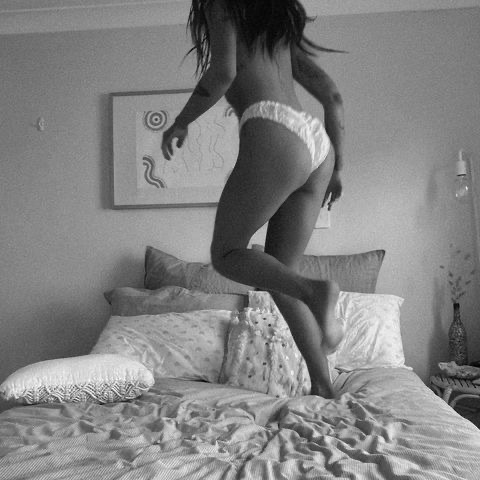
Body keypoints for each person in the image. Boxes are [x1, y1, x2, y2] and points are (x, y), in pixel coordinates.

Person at [161, 0, 345, 398]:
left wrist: (181, 121)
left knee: (227, 253)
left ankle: (317, 292)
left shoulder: (221, 3)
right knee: (281, 275)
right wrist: (338, 169)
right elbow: (331, 96)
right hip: (318, 144)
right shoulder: (277, 33)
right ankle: (323, 386)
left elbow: (223, 72)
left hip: (276, 130)